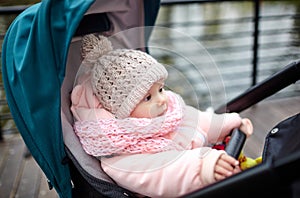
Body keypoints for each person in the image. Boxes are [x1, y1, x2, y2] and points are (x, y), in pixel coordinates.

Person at [71, 34, 253, 197]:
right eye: (148, 97)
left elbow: (200, 121)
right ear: (121, 111)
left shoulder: (169, 114)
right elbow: (164, 172)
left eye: (161, 89)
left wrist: (231, 123)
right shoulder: (120, 158)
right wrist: (201, 165)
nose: (161, 100)